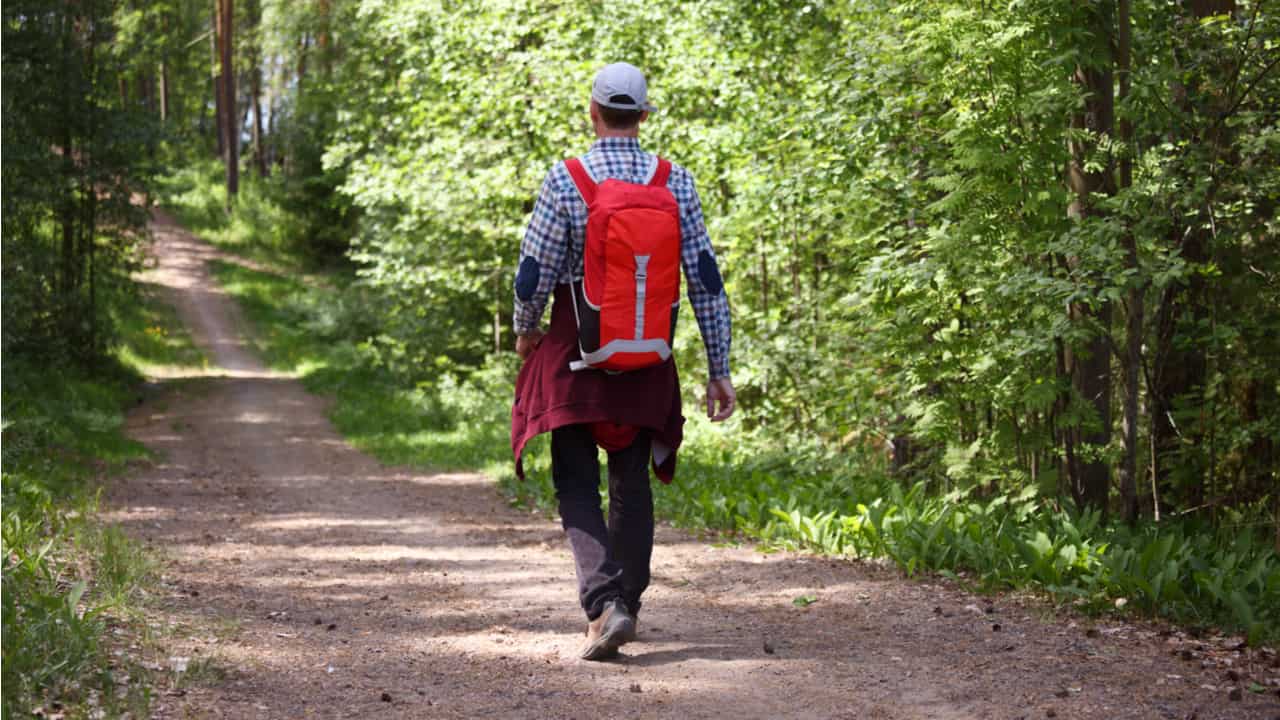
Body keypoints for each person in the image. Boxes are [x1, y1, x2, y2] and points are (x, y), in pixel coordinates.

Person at [510, 62, 736, 661]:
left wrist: (526, 331)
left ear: (593, 112)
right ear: (643, 116)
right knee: (631, 479)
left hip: (575, 351)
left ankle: (604, 605)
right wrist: (719, 367)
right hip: (647, 356)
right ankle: (625, 603)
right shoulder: (675, 181)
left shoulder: (567, 178)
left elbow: (532, 273)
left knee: (575, 480)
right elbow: (706, 281)